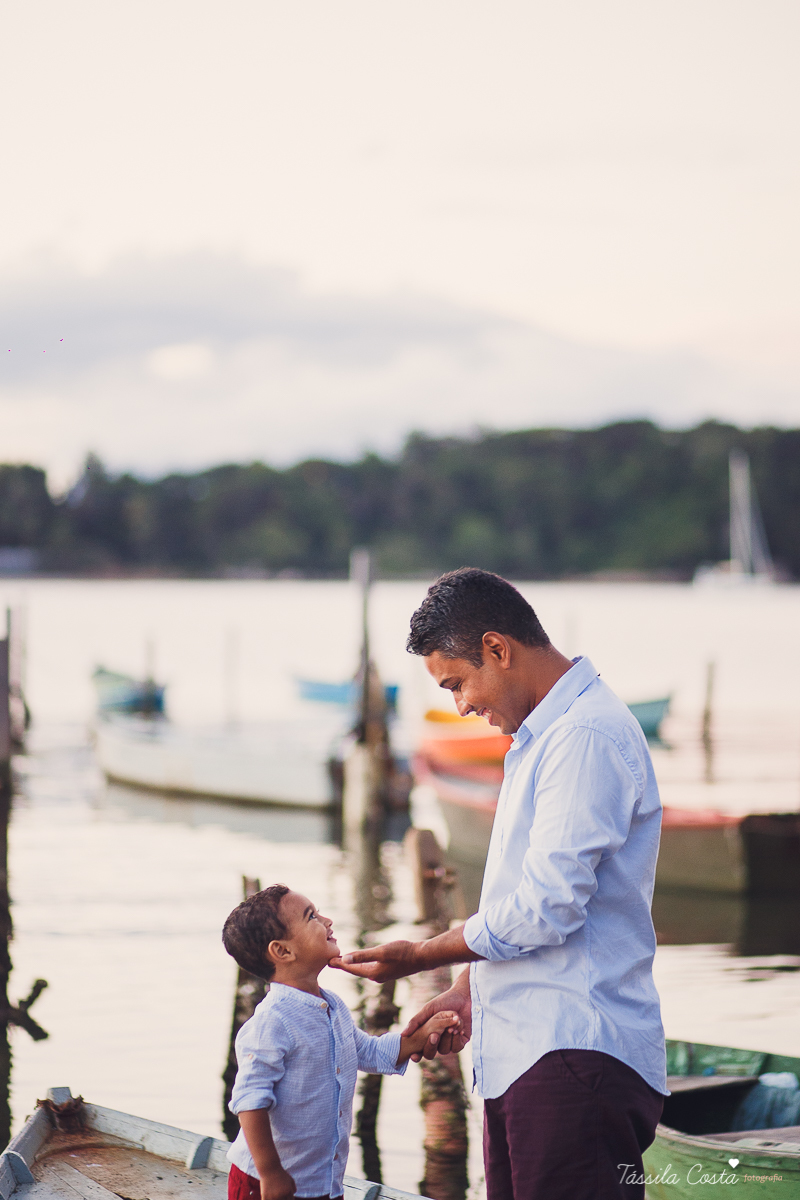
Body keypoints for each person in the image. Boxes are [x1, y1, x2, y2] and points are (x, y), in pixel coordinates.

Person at [333, 568, 668, 1200]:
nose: (460, 705)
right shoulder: (541, 736)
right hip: (529, 1051)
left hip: (572, 1052)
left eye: (458, 683)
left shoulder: (583, 736)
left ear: (497, 648)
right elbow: (529, 902)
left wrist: (420, 957)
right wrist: (469, 988)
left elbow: (545, 910)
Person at [221, 884, 461, 1200]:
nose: (328, 920)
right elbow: (250, 1101)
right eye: (312, 916)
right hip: (265, 1183)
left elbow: (369, 1051)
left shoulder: (331, 1006)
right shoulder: (272, 1022)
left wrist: (419, 1036)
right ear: (282, 951)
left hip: (321, 1181)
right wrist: (271, 1173)